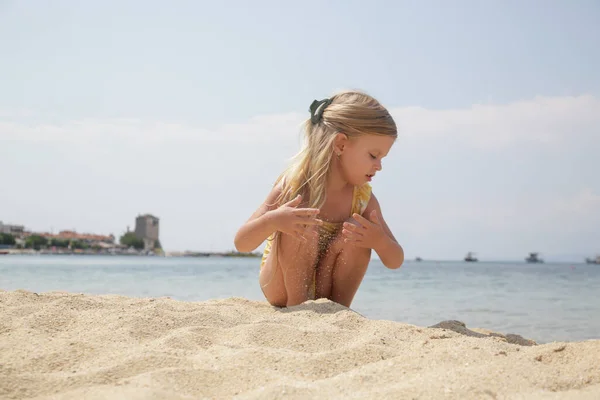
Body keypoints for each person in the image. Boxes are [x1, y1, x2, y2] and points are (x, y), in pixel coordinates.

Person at [234, 90, 404, 308]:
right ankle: (299, 307)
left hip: (327, 288)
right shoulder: (295, 186)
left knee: (359, 229)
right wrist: (274, 220)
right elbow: (242, 243)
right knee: (301, 218)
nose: (379, 166)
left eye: (382, 158)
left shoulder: (362, 198)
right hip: (282, 289)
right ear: (341, 144)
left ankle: (340, 309)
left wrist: (378, 241)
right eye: (373, 155)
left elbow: (395, 260)